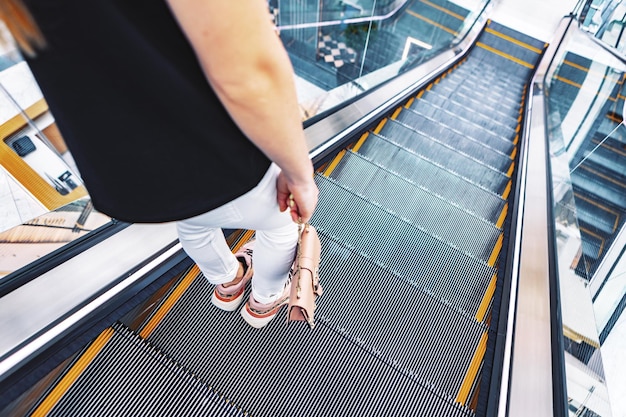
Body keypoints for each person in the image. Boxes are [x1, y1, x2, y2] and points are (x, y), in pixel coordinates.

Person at [0, 0, 319, 328]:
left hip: (133, 176)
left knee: (194, 224)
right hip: (219, 149)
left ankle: (229, 283)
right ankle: (263, 302)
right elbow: (249, 72)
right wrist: (300, 174)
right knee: (280, 228)